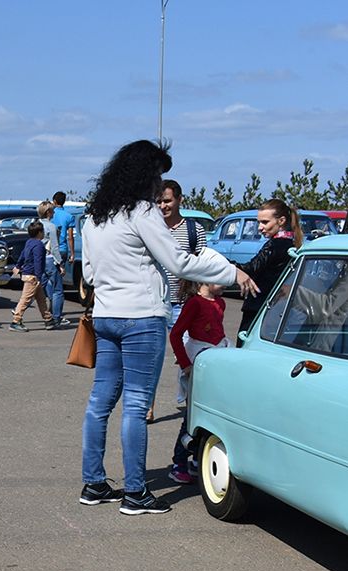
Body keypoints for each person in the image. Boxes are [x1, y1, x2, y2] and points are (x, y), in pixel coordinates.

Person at [78, 140, 258, 515]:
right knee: (136, 405)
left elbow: (89, 273)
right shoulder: (142, 212)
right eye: (158, 173)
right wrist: (232, 271)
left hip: (106, 316)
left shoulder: (95, 216)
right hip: (141, 318)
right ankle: (135, 493)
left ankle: (93, 484)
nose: (160, 182)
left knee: (100, 403)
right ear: (146, 173)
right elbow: (178, 262)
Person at [167, 279, 228, 484]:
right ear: (204, 280)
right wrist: (185, 364)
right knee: (192, 415)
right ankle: (179, 462)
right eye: (219, 276)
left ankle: (197, 460)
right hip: (197, 362)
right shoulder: (194, 303)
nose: (225, 281)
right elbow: (176, 334)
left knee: (210, 414)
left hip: (216, 362)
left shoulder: (220, 302)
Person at [154, 179, 207, 414]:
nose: (162, 206)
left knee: (187, 358)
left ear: (179, 200)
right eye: (158, 201)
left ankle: (190, 404)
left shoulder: (194, 230)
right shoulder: (151, 228)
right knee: (151, 358)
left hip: (184, 304)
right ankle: (148, 406)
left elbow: (204, 264)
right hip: (155, 303)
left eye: (167, 200)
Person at [236, 198, 303, 343]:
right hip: (278, 310)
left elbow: (251, 268)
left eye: (265, 222)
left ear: (281, 221)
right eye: (259, 222)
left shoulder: (275, 245)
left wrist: (221, 264)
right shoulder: (291, 243)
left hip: (260, 310)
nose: (260, 227)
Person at [8, 221, 53, 331]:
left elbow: (23, 254)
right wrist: (38, 276)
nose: (44, 233)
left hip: (28, 274)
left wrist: (18, 265)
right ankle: (16, 321)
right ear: (39, 233)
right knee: (25, 299)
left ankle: (48, 319)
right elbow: (38, 261)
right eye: (43, 231)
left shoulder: (29, 242)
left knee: (41, 299)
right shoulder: (39, 245)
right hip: (33, 276)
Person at [36, 201, 68, 327]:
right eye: (53, 210)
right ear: (48, 212)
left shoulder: (36, 225)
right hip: (50, 259)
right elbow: (54, 247)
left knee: (39, 288)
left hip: (39, 259)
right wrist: (60, 263)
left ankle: (19, 312)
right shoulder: (51, 227)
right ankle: (56, 317)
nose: (54, 212)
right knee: (57, 290)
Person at [50, 191, 76, 320]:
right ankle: (56, 312)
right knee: (58, 283)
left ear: (54, 201)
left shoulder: (50, 215)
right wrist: (72, 253)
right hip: (63, 249)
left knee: (50, 280)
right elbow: (70, 237)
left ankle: (52, 308)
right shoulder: (69, 216)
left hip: (50, 250)